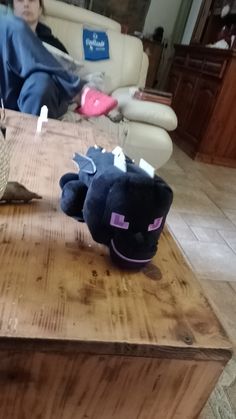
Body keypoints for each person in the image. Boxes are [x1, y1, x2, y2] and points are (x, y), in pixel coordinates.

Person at [0, 0, 117, 118]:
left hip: (40, 97)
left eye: (32, 0)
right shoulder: (5, 28)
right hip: (7, 92)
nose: (26, 4)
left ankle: (29, 133)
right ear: (12, 7)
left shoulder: (55, 45)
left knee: (41, 81)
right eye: (20, 0)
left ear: (40, 9)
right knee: (8, 24)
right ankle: (79, 92)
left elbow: (77, 71)